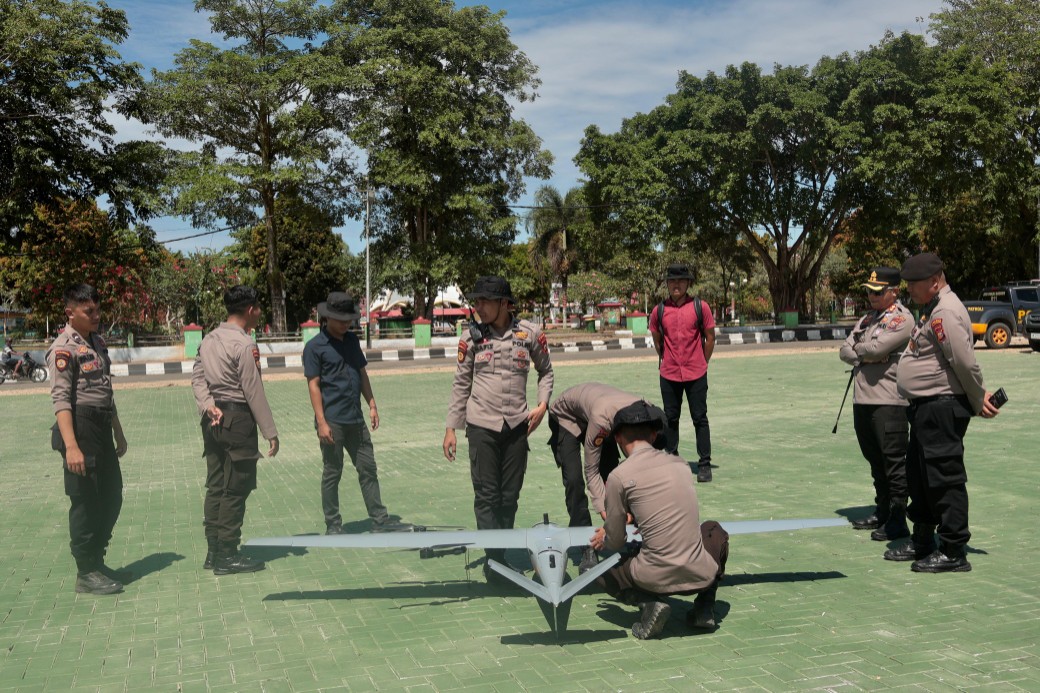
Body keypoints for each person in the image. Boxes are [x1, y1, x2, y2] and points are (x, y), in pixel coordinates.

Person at [886, 253, 999, 573]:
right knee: (920, 477)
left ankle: (953, 549)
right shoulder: (933, 308)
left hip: (941, 406)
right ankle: (923, 539)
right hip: (926, 407)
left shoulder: (945, 311)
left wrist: (977, 398)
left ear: (935, 282)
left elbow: (963, 361)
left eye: (913, 284)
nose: (908, 289)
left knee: (945, 479)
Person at [443, 276, 553, 582]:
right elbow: (461, 384)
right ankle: (495, 561)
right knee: (487, 496)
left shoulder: (529, 334)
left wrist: (543, 404)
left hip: (517, 426)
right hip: (482, 425)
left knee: (509, 496)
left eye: (484, 301)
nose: (478, 307)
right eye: (476, 301)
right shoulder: (471, 338)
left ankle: (499, 554)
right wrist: (451, 427)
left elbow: (546, 371)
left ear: (504, 304)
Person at [590, 400, 728, 640]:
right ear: (654, 435)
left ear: (618, 438)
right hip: (700, 574)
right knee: (714, 530)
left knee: (597, 569)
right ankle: (704, 607)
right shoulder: (681, 464)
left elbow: (616, 540)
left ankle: (648, 603)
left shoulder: (618, 476)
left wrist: (607, 535)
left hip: (653, 578)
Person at [303, 291, 413, 534]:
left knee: (368, 468)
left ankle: (380, 520)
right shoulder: (314, 347)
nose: (346, 324)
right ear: (328, 318)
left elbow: (361, 373)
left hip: (356, 419)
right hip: (332, 421)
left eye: (349, 320)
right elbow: (313, 385)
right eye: (341, 320)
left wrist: (372, 404)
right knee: (333, 473)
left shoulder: (352, 341)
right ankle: (333, 524)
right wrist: (321, 422)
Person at [47, 284, 131, 594]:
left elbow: (105, 390)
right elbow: (61, 400)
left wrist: (117, 430)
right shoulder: (63, 349)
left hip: (101, 426)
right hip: (79, 428)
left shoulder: (97, 342)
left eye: (97, 309)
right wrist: (71, 446)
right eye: (89, 311)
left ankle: (96, 558)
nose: (96, 315)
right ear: (70, 313)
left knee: (112, 495)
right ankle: (85, 570)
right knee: (85, 500)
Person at [191, 286, 279, 575]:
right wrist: (269, 431)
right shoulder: (244, 344)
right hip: (238, 419)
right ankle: (227, 554)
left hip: (213, 419)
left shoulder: (208, 340)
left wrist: (207, 405)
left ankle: (213, 551)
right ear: (250, 310)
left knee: (216, 485)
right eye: (258, 308)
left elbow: (197, 378)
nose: (260, 313)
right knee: (236, 488)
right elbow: (253, 390)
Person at [838, 267, 914, 541]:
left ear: (894, 291)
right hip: (863, 399)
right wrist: (866, 354)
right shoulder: (868, 318)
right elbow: (844, 350)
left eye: (877, 291)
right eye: (869, 291)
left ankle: (898, 518)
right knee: (875, 460)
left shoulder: (902, 319)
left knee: (893, 462)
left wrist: (863, 352)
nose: (871, 296)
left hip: (889, 401)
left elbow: (875, 349)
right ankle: (882, 510)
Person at [547, 382, 647, 572]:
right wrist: (608, 515)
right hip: (566, 418)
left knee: (612, 473)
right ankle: (587, 545)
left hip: (596, 411)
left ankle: (634, 537)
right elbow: (591, 470)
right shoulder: (603, 421)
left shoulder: (644, 414)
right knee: (574, 480)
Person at [649, 262, 717, 482]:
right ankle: (672, 460)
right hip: (669, 373)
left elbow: (710, 338)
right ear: (667, 284)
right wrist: (668, 359)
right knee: (671, 418)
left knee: (700, 418)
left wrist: (702, 362)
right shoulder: (659, 311)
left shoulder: (700, 307)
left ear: (688, 283)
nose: (676, 285)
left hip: (696, 372)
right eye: (672, 281)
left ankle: (704, 464)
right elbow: (657, 340)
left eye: (680, 280)